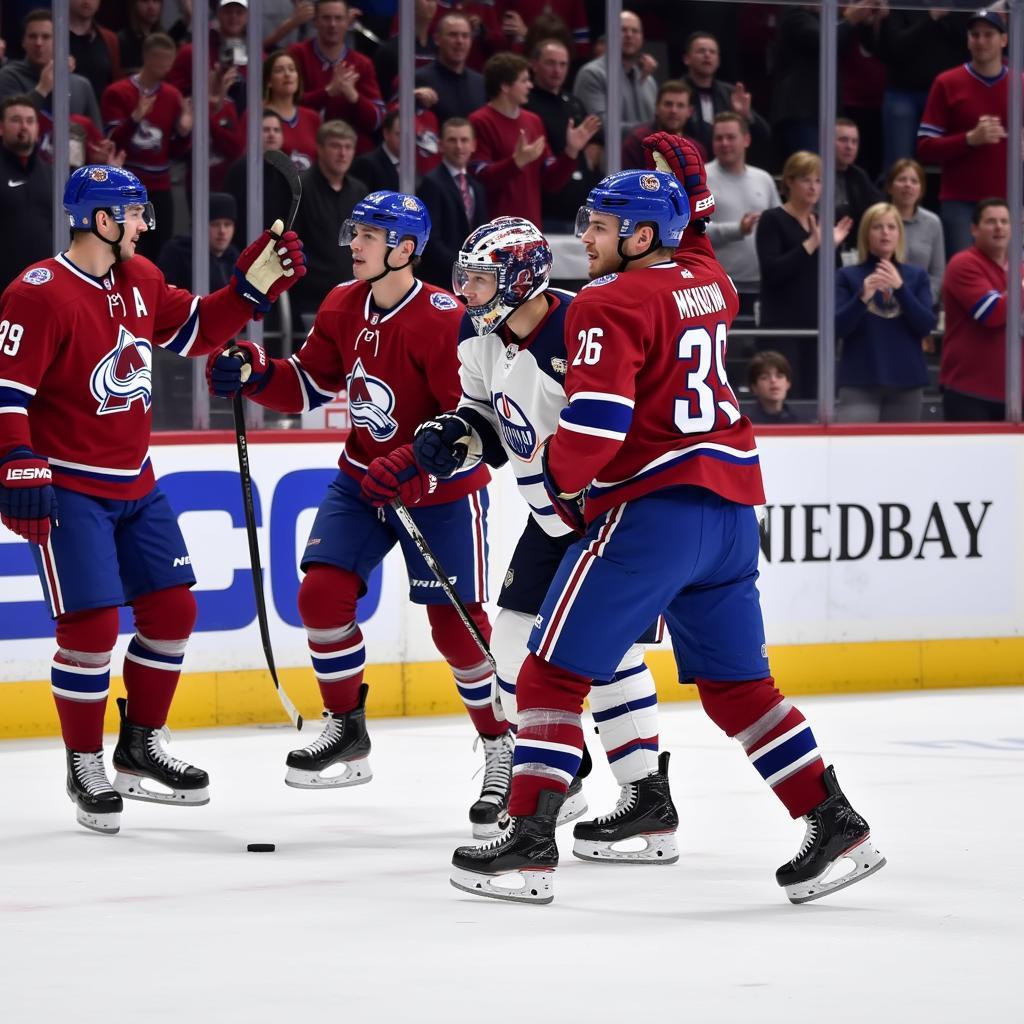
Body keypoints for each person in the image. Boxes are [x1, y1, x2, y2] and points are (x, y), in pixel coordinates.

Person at [449, 142, 884, 906]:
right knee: (739, 687)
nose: (586, 237)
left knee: (549, 671)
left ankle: (526, 846)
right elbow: (696, 245)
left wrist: (555, 491)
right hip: (730, 513)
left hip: (652, 512)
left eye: (603, 225)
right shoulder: (709, 280)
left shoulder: (605, 304)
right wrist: (692, 200)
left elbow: (595, 427)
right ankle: (834, 820)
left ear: (642, 237)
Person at [0, 164, 306, 835]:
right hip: (68, 484)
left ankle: (139, 748)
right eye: (134, 214)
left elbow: (195, 331)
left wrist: (247, 290)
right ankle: (85, 765)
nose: (145, 224)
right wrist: (17, 458)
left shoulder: (138, 279)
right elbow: (8, 392)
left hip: (135, 479)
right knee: (91, 629)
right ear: (101, 222)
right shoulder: (37, 292)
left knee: (173, 609)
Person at [205, 191, 514, 835]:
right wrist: (258, 373)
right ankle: (346, 730)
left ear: (404, 249)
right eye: (355, 232)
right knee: (321, 596)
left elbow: (468, 421)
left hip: (440, 493)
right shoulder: (343, 302)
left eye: (369, 235)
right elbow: (309, 382)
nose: (354, 244)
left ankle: (502, 748)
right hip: (360, 482)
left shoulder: (443, 317)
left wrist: (414, 462)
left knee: (457, 629)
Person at [410, 215, 678, 856]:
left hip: (611, 517)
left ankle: (646, 801)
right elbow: (488, 421)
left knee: (608, 660)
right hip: (548, 518)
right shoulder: (474, 337)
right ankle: (565, 784)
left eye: (480, 279)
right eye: (466, 277)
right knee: (507, 655)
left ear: (522, 279)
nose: (467, 291)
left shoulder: (581, 327)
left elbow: (624, 423)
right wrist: (458, 435)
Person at [755, 150, 853, 400]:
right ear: (789, 181)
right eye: (806, 179)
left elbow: (835, 277)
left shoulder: (822, 222)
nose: (813, 187)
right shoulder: (772, 219)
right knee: (789, 396)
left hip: (819, 326)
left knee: (817, 396)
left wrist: (829, 247)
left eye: (818, 180)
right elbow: (773, 272)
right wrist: (811, 245)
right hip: (783, 327)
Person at [918, 11, 1010, 258]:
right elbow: (925, 147)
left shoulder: (1019, 84)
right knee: (963, 274)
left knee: (1009, 280)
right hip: (961, 201)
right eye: (975, 35)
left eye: (988, 34)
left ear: (1004, 40)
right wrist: (969, 139)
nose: (980, 41)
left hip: (1007, 203)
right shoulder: (947, 82)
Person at [469, 52, 598, 227]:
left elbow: (551, 182)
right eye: (523, 81)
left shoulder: (533, 121)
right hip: (495, 229)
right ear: (505, 86)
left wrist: (571, 152)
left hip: (531, 228)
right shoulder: (480, 121)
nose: (530, 85)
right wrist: (515, 162)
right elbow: (480, 178)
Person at [835, 202, 936, 422]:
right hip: (859, 378)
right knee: (856, 452)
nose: (885, 232)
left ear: (899, 234)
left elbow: (926, 325)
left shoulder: (916, 276)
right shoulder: (847, 276)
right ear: (866, 234)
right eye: (877, 227)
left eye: (891, 227)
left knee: (901, 455)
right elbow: (838, 327)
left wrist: (901, 289)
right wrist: (862, 297)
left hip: (907, 380)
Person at [101, 32, 193, 261]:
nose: (165, 66)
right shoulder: (118, 92)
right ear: (147, 58)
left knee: (160, 252)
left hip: (160, 187)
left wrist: (183, 133)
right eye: (159, 60)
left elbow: (175, 152)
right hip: (127, 185)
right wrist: (135, 119)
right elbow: (112, 144)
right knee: (127, 250)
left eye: (168, 61)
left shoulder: (172, 96)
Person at [940, 198, 1022, 421]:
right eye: (991, 221)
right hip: (970, 393)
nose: (999, 227)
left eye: (1005, 221)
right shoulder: (963, 264)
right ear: (974, 229)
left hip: (1015, 393)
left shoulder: (1018, 269)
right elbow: (992, 313)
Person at [289, 118, 368, 319]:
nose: (343, 153)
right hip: (311, 299)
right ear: (320, 149)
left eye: (348, 147)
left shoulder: (359, 191)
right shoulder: (300, 188)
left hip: (354, 296)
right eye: (335, 146)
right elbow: (292, 242)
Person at [287, 0, 385, 154]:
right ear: (315, 22)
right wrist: (327, 92)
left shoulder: (362, 64)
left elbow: (377, 120)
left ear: (348, 22)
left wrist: (354, 97)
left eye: (338, 18)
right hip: (303, 148)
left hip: (349, 153)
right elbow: (285, 106)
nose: (332, 24)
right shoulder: (297, 54)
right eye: (326, 18)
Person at [706, 112, 779, 297]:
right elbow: (690, 230)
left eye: (731, 137)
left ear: (746, 140)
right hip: (714, 285)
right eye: (719, 138)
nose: (724, 144)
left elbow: (780, 225)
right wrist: (738, 229)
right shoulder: (699, 179)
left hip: (762, 282)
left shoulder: (764, 179)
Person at [0, 9, 102, 135]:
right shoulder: (9, 76)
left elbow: (98, 137)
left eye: (46, 37)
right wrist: (42, 88)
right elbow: (8, 128)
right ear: (23, 42)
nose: (38, 43)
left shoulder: (81, 84)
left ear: (59, 42)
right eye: (32, 36)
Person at [680, 31, 772, 170]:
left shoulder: (730, 93)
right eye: (701, 51)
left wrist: (745, 116)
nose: (707, 55)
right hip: (687, 168)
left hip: (725, 167)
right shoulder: (677, 93)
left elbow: (764, 134)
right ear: (687, 59)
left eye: (712, 52)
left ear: (718, 60)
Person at [416, 116, 487, 288]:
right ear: (441, 145)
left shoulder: (476, 187)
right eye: (452, 140)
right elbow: (431, 241)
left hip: (471, 283)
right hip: (442, 282)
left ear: (473, 145)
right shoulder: (431, 183)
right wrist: (464, 268)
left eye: (464, 140)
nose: (459, 146)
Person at [573, 10, 658, 139]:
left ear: (642, 38)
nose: (629, 35)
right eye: (622, 30)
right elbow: (600, 126)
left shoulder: (649, 80)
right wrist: (655, 129)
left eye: (635, 31)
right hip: (611, 157)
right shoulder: (592, 74)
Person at [0, 96, 52, 292]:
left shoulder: (52, 175)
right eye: (15, 120)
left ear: (38, 128)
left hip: (45, 284)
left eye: (30, 121)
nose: (24, 126)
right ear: (1, 127)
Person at [884, 158, 945, 306]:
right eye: (902, 179)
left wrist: (923, 301)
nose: (908, 185)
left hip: (921, 304)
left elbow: (938, 273)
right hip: (884, 304)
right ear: (890, 187)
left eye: (914, 181)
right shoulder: (877, 218)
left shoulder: (933, 222)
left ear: (921, 190)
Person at [414, 11, 485, 126]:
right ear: (437, 39)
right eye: (453, 35)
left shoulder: (481, 83)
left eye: (465, 36)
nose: (460, 41)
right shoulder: (419, 80)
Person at [621, 80, 704, 171]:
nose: (673, 111)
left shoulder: (696, 149)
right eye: (668, 104)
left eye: (680, 106)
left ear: (690, 111)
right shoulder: (637, 142)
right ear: (656, 108)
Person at [262, 48, 321, 172]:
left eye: (292, 69)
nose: (287, 74)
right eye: (279, 70)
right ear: (268, 81)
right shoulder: (257, 116)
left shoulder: (313, 118)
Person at [835, 118, 883, 257]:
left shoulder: (859, 176)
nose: (849, 146)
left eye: (854, 142)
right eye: (843, 140)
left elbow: (878, 210)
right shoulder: (815, 173)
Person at [69, 0, 121, 99]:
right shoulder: (52, 36)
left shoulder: (110, 39)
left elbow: (116, 82)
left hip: (102, 111)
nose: (87, 1)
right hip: (63, 110)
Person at [351, 107, 401, 192]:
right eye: (399, 134)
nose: (406, 140)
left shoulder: (412, 165)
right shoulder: (366, 164)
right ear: (386, 134)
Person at [746, 350, 801, 424]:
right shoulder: (746, 423)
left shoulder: (801, 420)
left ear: (788, 383)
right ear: (754, 387)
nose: (773, 380)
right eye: (764, 377)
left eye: (779, 376)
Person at [118, 0, 166, 78]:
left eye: (156, 1)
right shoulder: (122, 40)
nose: (152, 7)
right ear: (134, 5)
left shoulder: (164, 38)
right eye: (145, 1)